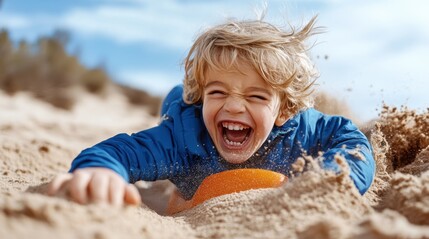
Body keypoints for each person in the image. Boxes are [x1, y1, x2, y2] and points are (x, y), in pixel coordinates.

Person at [47, 16, 375, 206]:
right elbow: (121, 152)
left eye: (256, 96)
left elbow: (354, 143)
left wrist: (328, 179)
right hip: (186, 108)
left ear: (283, 111)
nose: (233, 105)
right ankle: (192, 94)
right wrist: (101, 171)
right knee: (177, 102)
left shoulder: (303, 129)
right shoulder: (181, 139)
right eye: (218, 91)